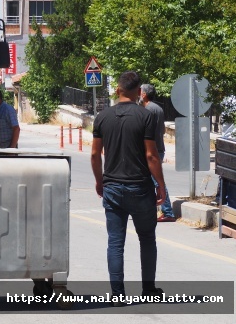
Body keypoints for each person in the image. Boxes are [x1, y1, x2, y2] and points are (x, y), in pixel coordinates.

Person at [90, 71, 166, 305]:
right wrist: (161, 186)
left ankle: (117, 294)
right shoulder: (145, 117)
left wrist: (99, 180)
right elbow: (151, 155)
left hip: (112, 187)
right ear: (138, 93)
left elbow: (95, 154)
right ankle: (148, 289)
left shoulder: (102, 117)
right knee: (147, 239)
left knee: (115, 241)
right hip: (140, 188)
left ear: (117, 90)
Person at [141, 84, 176, 222]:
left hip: (151, 150)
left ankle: (168, 212)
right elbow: (161, 130)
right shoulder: (158, 109)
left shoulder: (147, 109)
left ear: (144, 94)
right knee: (152, 180)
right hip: (158, 148)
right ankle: (152, 209)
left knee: (156, 181)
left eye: (140, 92)